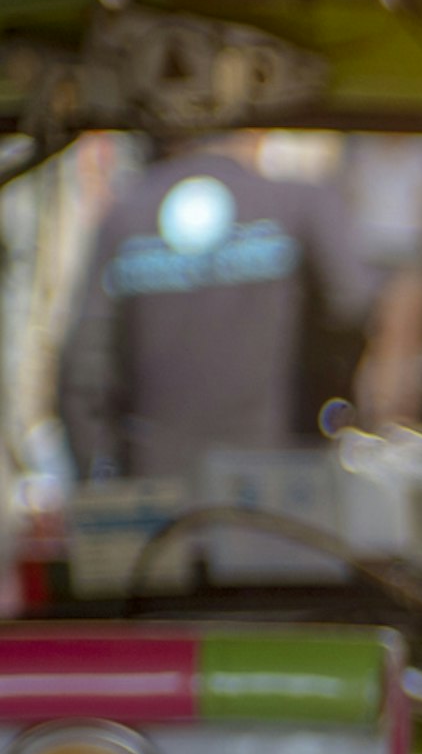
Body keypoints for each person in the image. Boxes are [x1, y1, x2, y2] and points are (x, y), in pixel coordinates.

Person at [59, 132, 371, 494]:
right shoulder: (301, 203)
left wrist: (102, 484)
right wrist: (320, 426)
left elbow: (82, 374)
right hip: (276, 483)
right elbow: (352, 308)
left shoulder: (125, 215)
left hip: (158, 487)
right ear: (259, 133)